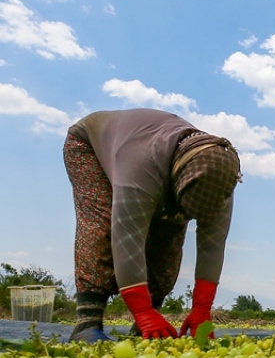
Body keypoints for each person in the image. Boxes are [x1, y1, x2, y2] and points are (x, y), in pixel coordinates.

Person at [63, 108, 241, 342]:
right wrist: (141, 310)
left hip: (158, 161)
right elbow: (126, 238)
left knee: (170, 233)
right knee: (102, 225)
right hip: (92, 147)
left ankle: (150, 318)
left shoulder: (219, 183)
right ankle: (88, 320)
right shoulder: (140, 165)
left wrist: (202, 309)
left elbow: (213, 246)